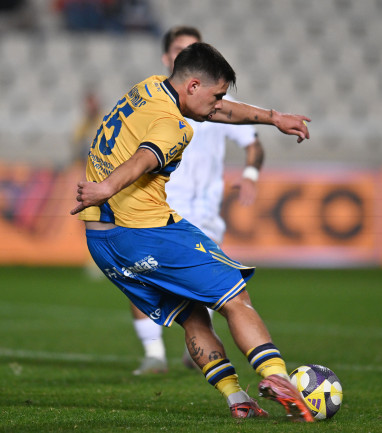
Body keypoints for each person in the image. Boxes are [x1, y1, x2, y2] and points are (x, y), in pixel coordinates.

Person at [70, 42, 313, 420]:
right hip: (145, 231)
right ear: (194, 86)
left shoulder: (147, 88)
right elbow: (145, 157)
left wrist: (272, 117)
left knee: (193, 316)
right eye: (216, 95)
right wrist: (107, 187)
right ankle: (277, 377)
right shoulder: (176, 127)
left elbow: (219, 112)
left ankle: (237, 399)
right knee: (235, 296)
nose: (219, 104)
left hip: (103, 242)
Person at [130, 26, 264, 376]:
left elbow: (253, 143)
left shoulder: (217, 103)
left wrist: (251, 175)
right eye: (179, 48)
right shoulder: (151, 101)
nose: (185, 53)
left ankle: (200, 349)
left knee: (204, 288)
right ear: (167, 57)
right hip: (156, 206)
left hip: (203, 213)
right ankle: (154, 354)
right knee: (141, 277)